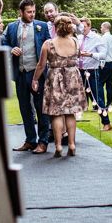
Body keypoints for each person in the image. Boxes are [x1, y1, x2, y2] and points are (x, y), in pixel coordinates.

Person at [32, 15, 87, 157]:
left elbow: (41, 65)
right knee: (70, 112)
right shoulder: (75, 41)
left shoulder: (48, 44)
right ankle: (72, 144)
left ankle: (57, 146)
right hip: (73, 77)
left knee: (56, 113)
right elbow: (78, 57)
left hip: (55, 78)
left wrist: (35, 80)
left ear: (55, 28)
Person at [2, 0, 52, 154]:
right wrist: (10, 48)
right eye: (29, 12)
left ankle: (43, 142)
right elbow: (2, 41)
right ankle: (30, 140)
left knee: (40, 108)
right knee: (24, 108)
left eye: (34, 11)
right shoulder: (11, 27)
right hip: (20, 73)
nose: (32, 14)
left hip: (37, 73)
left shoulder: (42, 27)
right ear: (21, 12)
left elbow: (50, 46)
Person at [77, 18, 109, 130]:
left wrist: (90, 54)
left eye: (84, 27)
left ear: (89, 26)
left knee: (97, 98)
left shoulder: (97, 38)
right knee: (77, 96)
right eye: (80, 27)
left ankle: (106, 123)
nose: (82, 29)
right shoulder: (79, 37)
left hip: (92, 71)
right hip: (79, 71)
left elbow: (103, 55)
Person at [99, 21, 112, 110]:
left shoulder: (104, 38)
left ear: (105, 27)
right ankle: (109, 104)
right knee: (109, 84)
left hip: (106, 63)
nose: (100, 29)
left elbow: (104, 52)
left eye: (101, 27)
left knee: (100, 84)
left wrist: (101, 63)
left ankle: (101, 103)